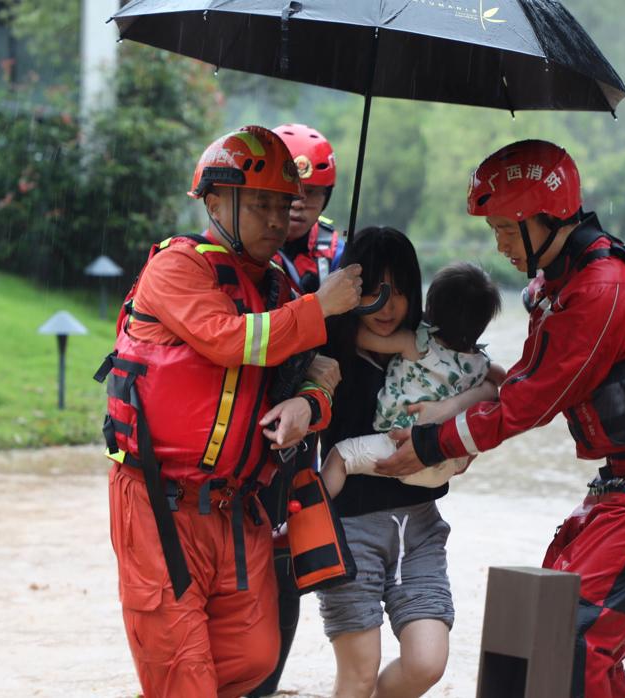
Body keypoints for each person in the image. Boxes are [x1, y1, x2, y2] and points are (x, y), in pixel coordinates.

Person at [377, 139, 625, 698]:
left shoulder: (600, 288)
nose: (498, 245)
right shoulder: (561, 283)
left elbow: (531, 401)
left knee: (576, 635)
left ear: (542, 219)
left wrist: (433, 443)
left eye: (503, 228)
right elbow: (522, 379)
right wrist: (449, 417)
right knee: (550, 618)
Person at [96, 125, 363, 698]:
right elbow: (227, 339)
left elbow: (323, 375)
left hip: (237, 510)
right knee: (182, 674)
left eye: (284, 206)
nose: (277, 219)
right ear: (214, 201)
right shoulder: (177, 268)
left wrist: (305, 405)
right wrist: (322, 305)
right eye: (261, 204)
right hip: (159, 504)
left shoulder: (278, 289)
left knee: (254, 658)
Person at [318, 227, 491, 698]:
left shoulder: (437, 347)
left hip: (419, 529)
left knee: (426, 663)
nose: (386, 305)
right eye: (372, 290)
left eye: (398, 291)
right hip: (350, 531)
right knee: (356, 675)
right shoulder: (330, 351)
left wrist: (450, 411)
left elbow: (501, 383)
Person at [248, 120, 346, 698]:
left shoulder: (337, 253)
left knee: (287, 564)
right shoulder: (237, 250)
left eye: (313, 195)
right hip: (245, 417)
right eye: (292, 193)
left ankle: (267, 681)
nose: (301, 206)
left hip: (310, 423)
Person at [322, 261, 501, 496]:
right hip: (448, 458)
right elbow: (505, 380)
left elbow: (358, 338)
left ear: (430, 307)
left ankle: (309, 517)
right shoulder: (480, 364)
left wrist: (336, 308)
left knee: (339, 457)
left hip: (396, 447)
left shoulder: (414, 343)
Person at [272, 123, 344, 295]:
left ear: (326, 198)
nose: (298, 204)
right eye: (288, 191)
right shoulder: (235, 246)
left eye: (311, 192)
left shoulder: (338, 256)